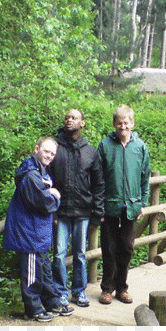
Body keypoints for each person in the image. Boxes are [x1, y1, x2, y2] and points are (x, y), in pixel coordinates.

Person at [2, 137, 74, 322]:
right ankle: (33, 308)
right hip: (29, 233)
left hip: (39, 232)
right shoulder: (30, 174)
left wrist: (49, 191)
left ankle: (52, 302)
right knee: (32, 274)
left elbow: (44, 193)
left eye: (52, 153)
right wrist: (55, 196)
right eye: (46, 151)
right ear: (36, 149)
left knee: (44, 270)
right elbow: (45, 203)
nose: (49, 156)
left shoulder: (41, 170)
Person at [49, 109, 105, 308]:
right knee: (59, 253)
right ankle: (60, 292)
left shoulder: (90, 151)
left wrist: (98, 211)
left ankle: (79, 291)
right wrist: (50, 208)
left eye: (74, 117)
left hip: (83, 211)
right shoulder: (55, 147)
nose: (69, 120)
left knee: (80, 254)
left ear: (82, 123)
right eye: (67, 117)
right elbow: (46, 179)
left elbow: (99, 184)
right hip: (60, 211)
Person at [96, 104, 151, 305]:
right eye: (119, 123)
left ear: (132, 123)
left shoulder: (140, 147)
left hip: (132, 206)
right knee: (109, 248)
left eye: (126, 123)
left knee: (127, 247)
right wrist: (98, 206)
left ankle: (122, 287)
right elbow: (98, 178)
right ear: (114, 124)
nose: (122, 127)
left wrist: (143, 203)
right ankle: (107, 289)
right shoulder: (105, 145)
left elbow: (145, 177)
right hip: (109, 206)